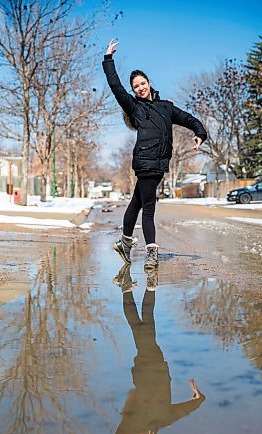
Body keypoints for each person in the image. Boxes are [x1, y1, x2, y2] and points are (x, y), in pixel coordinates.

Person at [102, 40, 207, 271]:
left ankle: (124, 244)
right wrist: (108, 59)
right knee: (148, 208)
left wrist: (200, 133)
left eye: (142, 83)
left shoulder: (166, 107)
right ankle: (151, 253)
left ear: (149, 83)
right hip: (145, 162)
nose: (140, 88)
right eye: (136, 86)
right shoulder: (134, 107)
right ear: (133, 90)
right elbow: (115, 86)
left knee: (136, 203)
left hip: (160, 163)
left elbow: (189, 119)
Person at [102, 282, 205, 434]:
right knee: (142, 326)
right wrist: (198, 397)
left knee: (144, 327)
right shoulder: (163, 420)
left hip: (144, 370)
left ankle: (145, 289)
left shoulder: (129, 426)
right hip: (158, 367)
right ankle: (132, 289)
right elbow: (184, 410)